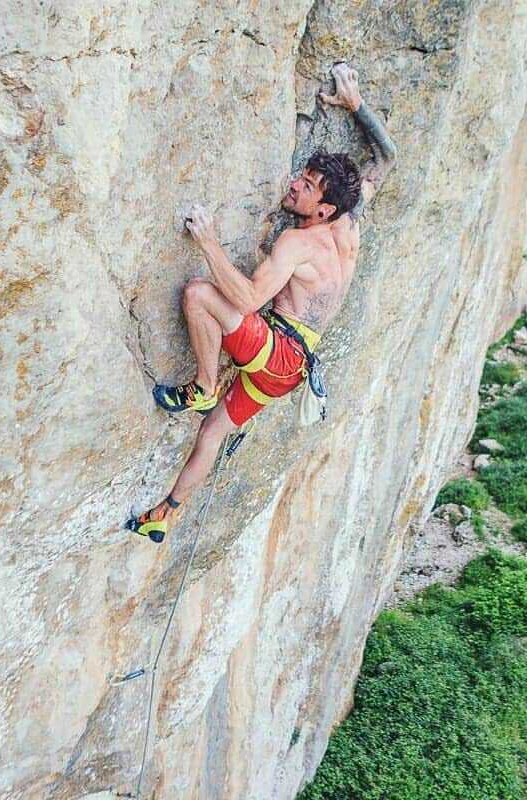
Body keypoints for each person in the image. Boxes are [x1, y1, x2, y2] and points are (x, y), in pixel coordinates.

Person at [128, 62, 397, 542]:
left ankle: (204, 384)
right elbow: (386, 156)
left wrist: (208, 242)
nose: (295, 184)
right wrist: (356, 106)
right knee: (212, 431)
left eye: (307, 186)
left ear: (324, 209)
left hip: (277, 352)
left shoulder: (299, 244)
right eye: (303, 176)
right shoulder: (350, 222)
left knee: (198, 294)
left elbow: (250, 297)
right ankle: (166, 511)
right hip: (290, 370)